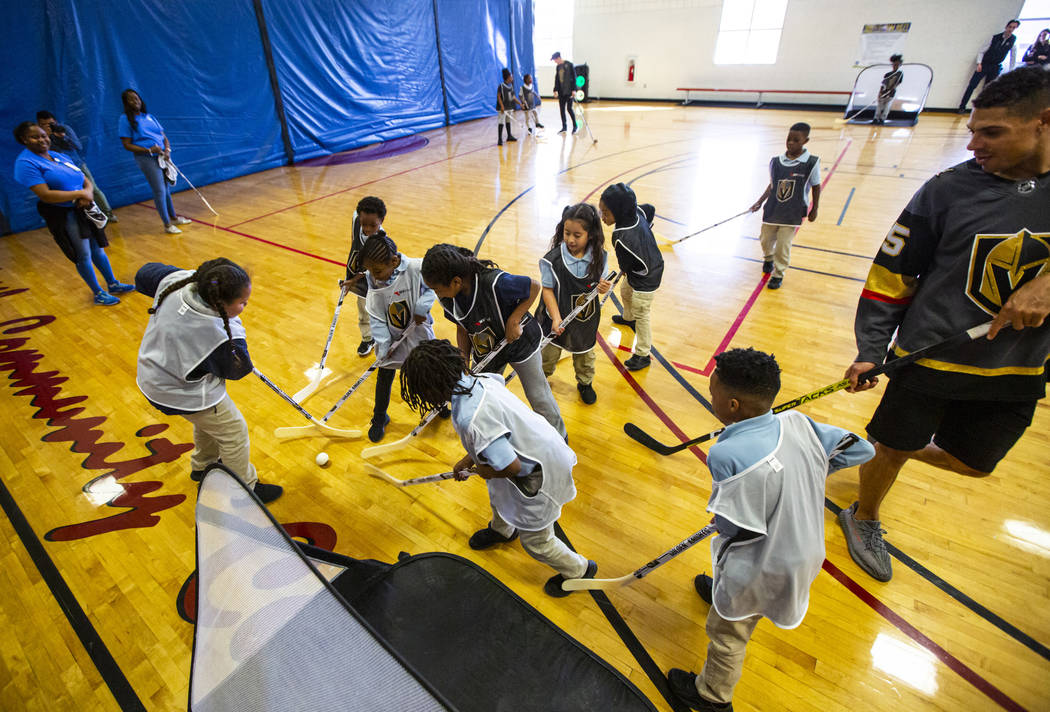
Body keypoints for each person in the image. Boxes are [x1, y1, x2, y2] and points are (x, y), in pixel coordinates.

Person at [838, 66, 1050, 583]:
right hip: (930, 356)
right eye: (974, 129)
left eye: (991, 132)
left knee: (975, 464)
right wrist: (871, 347)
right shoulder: (946, 191)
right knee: (893, 449)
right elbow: (891, 274)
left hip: (1017, 367)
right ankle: (863, 514)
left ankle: (877, 448)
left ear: (1044, 122)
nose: (973, 142)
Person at [666, 348, 874, 712]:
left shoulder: (723, 454)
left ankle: (712, 697)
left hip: (765, 562)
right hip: (807, 550)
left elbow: (733, 526)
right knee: (734, 583)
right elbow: (862, 450)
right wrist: (806, 471)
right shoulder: (799, 423)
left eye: (711, 392)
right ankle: (721, 592)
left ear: (732, 405)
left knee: (728, 632)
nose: (709, 395)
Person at [399, 338, 596, 597]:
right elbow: (493, 435)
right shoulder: (478, 379)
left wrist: (483, 470)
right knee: (499, 494)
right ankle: (502, 530)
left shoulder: (471, 418)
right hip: (536, 447)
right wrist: (469, 460)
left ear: (433, 388)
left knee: (537, 541)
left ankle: (579, 570)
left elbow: (511, 466)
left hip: (535, 473)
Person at [135, 258, 283, 503]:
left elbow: (144, 272)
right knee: (234, 431)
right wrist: (235, 327)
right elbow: (237, 370)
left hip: (153, 374)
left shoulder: (184, 282)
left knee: (210, 421)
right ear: (219, 303)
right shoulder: (218, 335)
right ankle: (244, 490)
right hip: (178, 389)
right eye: (242, 303)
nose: (245, 306)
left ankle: (203, 466)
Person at [421, 243, 568, 439]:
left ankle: (560, 439)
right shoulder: (449, 299)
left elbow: (534, 286)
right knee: (486, 398)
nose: (435, 294)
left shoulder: (494, 282)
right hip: (488, 351)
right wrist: (463, 359)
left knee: (538, 396)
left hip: (522, 343)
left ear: (456, 281)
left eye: (436, 289)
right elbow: (462, 328)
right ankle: (498, 438)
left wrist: (514, 319)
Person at [12, 122, 133, 306]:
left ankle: (113, 283)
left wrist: (88, 193)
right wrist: (79, 194)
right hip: (64, 214)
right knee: (82, 254)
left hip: (83, 209)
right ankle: (98, 293)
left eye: (43, 135)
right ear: (23, 140)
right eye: (35, 137)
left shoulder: (57, 156)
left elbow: (85, 179)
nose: (42, 140)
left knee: (97, 249)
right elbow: (45, 194)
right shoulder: (26, 163)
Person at [360, 232, 437, 442]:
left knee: (428, 372)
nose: (374, 276)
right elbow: (376, 316)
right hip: (391, 339)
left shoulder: (415, 268)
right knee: (384, 376)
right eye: (370, 271)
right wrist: (383, 346)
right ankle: (379, 417)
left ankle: (439, 403)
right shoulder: (373, 281)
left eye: (377, 270)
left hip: (419, 333)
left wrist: (423, 306)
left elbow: (433, 287)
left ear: (394, 261)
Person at [539, 203, 611, 404]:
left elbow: (601, 285)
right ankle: (541, 379)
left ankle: (585, 382)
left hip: (584, 320)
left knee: (585, 357)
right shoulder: (552, 260)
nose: (570, 239)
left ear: (591, 234)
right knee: (548, 355)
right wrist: (555, 318)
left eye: (577, 235)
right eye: (566, 233)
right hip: (556, 319)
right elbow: (547, 290)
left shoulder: (600, 257)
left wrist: (604, 288)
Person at [748, 122, 821, 290]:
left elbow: (816, 186)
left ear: (805, 141)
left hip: (793, 212)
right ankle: (768, 258)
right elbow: (772, 185)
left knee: (783, 245)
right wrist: (760, 201)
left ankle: (778, 274)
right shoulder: (776, 161)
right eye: (789, 139)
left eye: (796, 140)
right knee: (765, 239)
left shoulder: (811, 163)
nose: (791, 143)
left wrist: (814, 208)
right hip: (773, 209)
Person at [599, 183, 662, 370]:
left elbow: (624, 266)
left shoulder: (620, 237)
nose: (602, 216)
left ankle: (642, 354)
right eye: (601, 211)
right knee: (626, 291)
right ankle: (628, 318)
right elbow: (650, 209)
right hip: (642, 266)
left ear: (619, 212)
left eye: (606, 213)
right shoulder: (638, 213)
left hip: (647, 277)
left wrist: (627, 267)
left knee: (642, 312)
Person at [118, 89, 192, 234]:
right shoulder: (124, 120)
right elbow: (127, 145)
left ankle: (174, 218)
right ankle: (167, 224)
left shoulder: (149, 117)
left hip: (162, 156)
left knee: (166, 189)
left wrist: (168, 150)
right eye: (131, 99)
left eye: (137, 98)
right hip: (146, 159)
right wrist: (149, 150)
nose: (136, 101)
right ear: (126, 103)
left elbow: (163, 137)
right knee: (159, 190)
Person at [36, 111, 115, 221]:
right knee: (72, 195)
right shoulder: (41, 137)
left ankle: (108, 214)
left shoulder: (65, 129)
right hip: (60, 170)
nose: (49, 126)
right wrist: (48, 137)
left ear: (56, 122)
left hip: (77, 165)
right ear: (39, 125)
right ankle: (87, 218)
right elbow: (47, 154)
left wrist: (62, 137)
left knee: (93, 189)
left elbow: (78, 146)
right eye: (44, 125)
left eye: (51, 123)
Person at [341, 196, 387, 357]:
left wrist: (352, 280)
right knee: (362, 309)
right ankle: (368, 338)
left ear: (381, 221)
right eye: (364, 224)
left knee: (377, 309)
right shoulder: (356, 219)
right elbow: (354, 242)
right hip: (358, 274)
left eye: (372, 225)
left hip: (376, 277)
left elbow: (373, 270)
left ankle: (384, 337)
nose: (367, 229)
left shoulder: (381, 242)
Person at [958, 20, 1020, 113]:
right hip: (984, 65)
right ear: (1006, 27)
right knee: (972, 86)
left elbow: (1013, 58)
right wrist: (979, 63)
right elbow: (981, 51)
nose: (1011, 29)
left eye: (1014, 27)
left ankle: (981, 110)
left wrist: (1011, 71)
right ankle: (962, 107)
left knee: (988, 89)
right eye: (1010, 27)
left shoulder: (1013, 41)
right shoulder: (995, 38)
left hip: (995, 67)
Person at [551, 52, 578, 134]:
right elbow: (557, 79)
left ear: (558, 58)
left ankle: (575, 126)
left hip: (569, 91)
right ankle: (564, 127)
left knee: (569, 109)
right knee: (562, 110)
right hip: (561, 92)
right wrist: (555, 90)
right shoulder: (558, 67)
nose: (555, 61)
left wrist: (574, 90)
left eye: (555, 60)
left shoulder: (569, 65)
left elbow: (574, 77)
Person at [874, 55, 904, 125]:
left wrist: (892, 89)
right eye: (894, 64)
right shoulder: (888, 74)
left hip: (891, 93)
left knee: (887, 107)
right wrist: (880, 93)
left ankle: (882, 119)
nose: (895, 66)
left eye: (897, 65)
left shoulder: (900, 74)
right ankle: (876, 118)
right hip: (884, 92)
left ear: (899, 65)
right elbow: (883, 84)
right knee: (879, 106)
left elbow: (898, 83)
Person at [496, 68, 520, 146]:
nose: (512, 78)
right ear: (508, 77)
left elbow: (513, 97)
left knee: (508, 121)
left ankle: (509, 135)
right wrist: (502, 106)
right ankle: (499, 139)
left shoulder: (511, 86)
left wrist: (520, 104)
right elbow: (498, 96)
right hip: (502, 108)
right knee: (501, 121)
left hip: (509, 107)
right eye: (511, 77)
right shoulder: (501, 86)